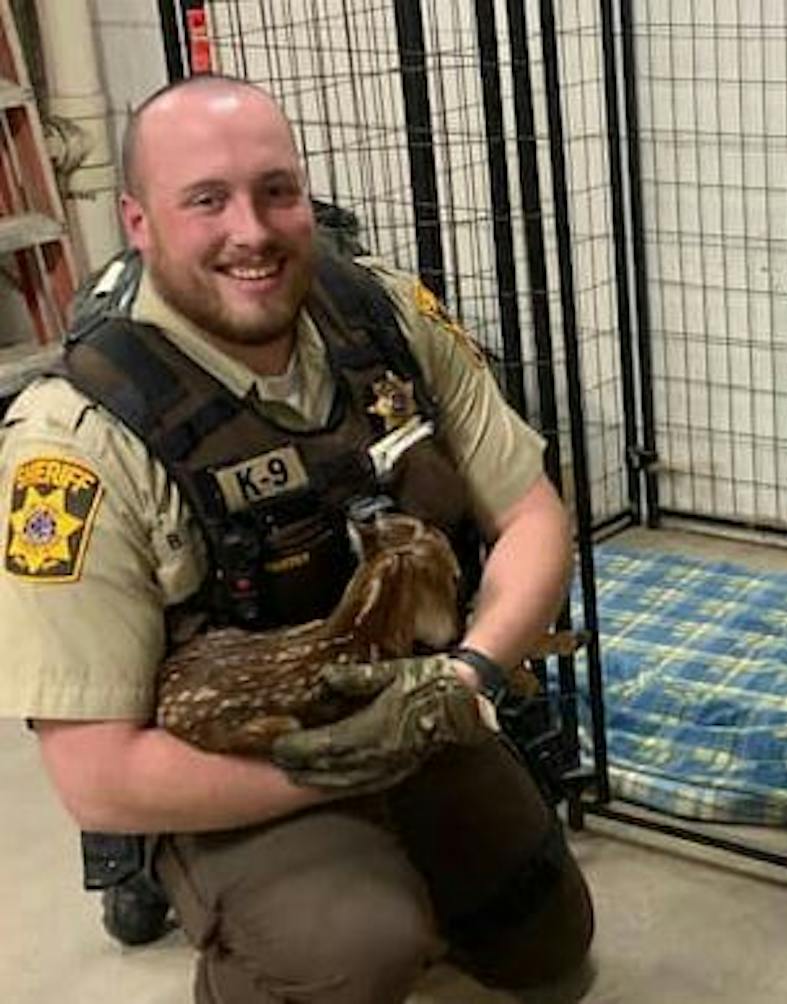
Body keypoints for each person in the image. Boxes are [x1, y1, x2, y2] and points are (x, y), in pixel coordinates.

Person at [0, 74, 593, 1002]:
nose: (253, 231)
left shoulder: (383, 316)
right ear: (139, 220)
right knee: (353, 950)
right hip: (226, 763)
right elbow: (98, 776)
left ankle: (399, 865)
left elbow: (533, 518)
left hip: (416, 700)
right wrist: (340, 771)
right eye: (207, 200)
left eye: (277, 191)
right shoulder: (77, 440)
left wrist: (465, 680)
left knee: (548, 941)